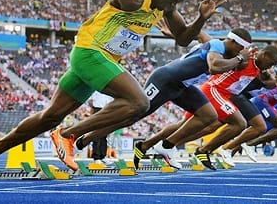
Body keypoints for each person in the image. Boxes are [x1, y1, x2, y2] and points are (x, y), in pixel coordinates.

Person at [0, 0, 227, 178]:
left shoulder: (164, 11)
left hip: (102, 61)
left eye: (179, 3)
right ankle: (68, 134)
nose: (174, 6)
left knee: (49, 117)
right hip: (89, 52)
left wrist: (201, 18)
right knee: (138, 102)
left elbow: (182, 38)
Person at [74, 24, 252, 168]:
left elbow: (198, 33)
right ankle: (85, 138)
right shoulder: (218, 46)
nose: (241, 55)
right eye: (242, 50)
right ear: (236, 44)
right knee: (130, 117)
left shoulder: (216, 44)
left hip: (182, 86)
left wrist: (174, 33)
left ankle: (167, 146)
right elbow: (214, 67)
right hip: (165, 80)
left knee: (209, 115)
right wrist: (238, 59)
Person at [136, 45, 277, 169]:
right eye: (271, 62)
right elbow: (223, 51)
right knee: (239, 123)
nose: (271, 66)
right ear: (264, 54)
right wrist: (240, 56)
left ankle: (146, 145)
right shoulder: (246, 58)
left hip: (225, 95)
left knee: (189, 125)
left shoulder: (260, 68)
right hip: (215, 90)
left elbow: (266, 80)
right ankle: (189, 148)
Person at [88, 91, 114, 166]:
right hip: (97, 109)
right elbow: (90, 101)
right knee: (96, 134)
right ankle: (96, 157)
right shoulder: (96, 88)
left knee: (104, 134)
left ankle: (103, 156)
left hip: (107, 109)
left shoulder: (110, 89)